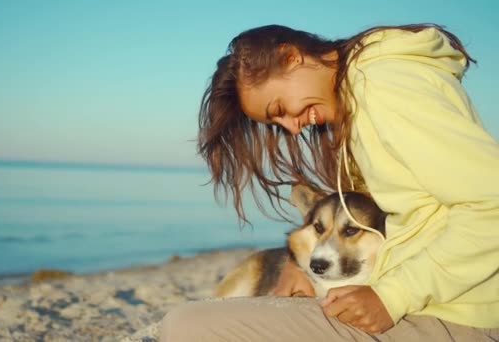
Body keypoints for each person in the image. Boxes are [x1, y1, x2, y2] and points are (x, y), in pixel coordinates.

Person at [159, 23, 499, 341]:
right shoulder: (363, 94)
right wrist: (299, 266)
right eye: (277, 123)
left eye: (279, 107)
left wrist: (392, 296)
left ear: (290, 57)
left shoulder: (384, 85)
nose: (292, 127)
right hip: (435, 302)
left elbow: (491, 201)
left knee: (186, 326)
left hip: (456, 314)